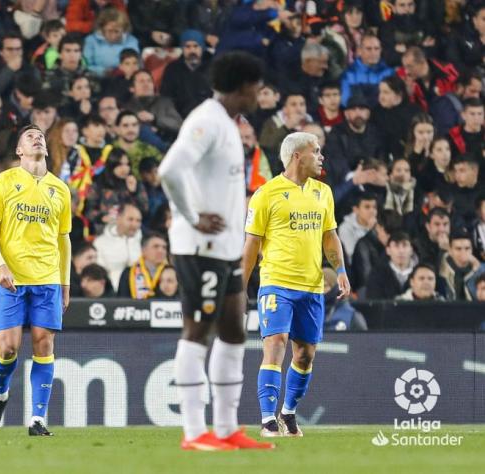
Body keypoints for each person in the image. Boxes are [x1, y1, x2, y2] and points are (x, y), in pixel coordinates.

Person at [159, 51, 273, 451]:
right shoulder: (206, 120)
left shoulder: (226, 123)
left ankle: (227, 428)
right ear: (243, 88)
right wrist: (191, 217)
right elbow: (170, 169)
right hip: (200, 246)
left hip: (225, 249)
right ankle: (194, 432)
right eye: (257, 89)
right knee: (198, 330)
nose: (260, 96)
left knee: (233, 330)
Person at [243, 131, 350, 438]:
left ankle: (288, 414)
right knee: (275, 345)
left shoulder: (323, 193)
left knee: (304, 354)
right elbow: (251, 245)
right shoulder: (266, 194)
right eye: (315, 151)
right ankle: (267, 420)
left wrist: (339, 268)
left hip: (312, 286)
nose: (321, 156)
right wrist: (240, 287)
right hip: (276, 282)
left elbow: (330, 236)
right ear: (296, 156)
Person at [0, 124, 72, 437]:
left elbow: (64, 240)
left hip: (47, 278)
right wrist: (1, 265)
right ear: (19, 150)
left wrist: (65, 282)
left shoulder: (60, 189)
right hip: (11, 279)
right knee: (8, 347)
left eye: (41, 135)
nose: (38, 137)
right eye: (30, 135)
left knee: (44, 343)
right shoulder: (4, 182)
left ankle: (37, 419)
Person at [117, 232, 168, 299]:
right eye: (156, 246)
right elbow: (121, 301)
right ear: (143, 250)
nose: (161, 251)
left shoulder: (172, 273)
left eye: (164, 247)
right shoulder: (129, 273)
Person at [365, 231, 415, 299]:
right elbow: (374, 302)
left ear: (411, 250)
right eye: (396, 246)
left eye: (405, 245)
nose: (401, 251)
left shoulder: (422, 272)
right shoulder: (377, 273)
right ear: (388, 250)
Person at [438, 231, 485, 301]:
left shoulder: (481, 271)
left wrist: (477, 269)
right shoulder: (442, 268)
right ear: (450, 250)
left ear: (472, 250)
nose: (463, 252)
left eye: (467, 248)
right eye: (458, 249)